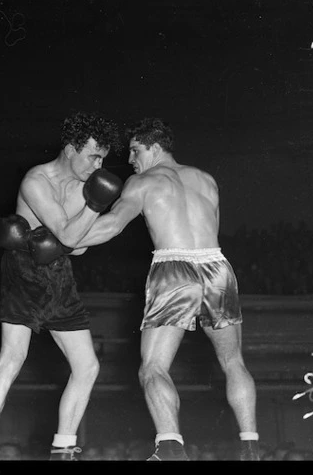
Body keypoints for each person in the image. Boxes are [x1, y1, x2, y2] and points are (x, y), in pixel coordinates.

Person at [75, 117, 259, 461]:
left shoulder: (142, 181)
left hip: (174, 266)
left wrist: (67, 237)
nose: (130, 159)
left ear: (155, 147)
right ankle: (250, 447)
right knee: (234, 362)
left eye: (135, 150)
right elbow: (212, 231)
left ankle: (171, 447)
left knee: (154, 367)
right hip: (217, 265)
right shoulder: (206, 179)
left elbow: (113, 225)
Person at [0, 112, 123, 461]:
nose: (98, 165)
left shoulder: (85, 184)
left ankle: (63, 449)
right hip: (23, 270)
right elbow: (72, 235)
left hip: (58, 274)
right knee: (12, 357)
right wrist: (95, 207)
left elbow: (77, 246)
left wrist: (73, 232)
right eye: (93, 156)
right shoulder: (36, 180)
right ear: (70, 149)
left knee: (88, 366)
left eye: (102, 158)